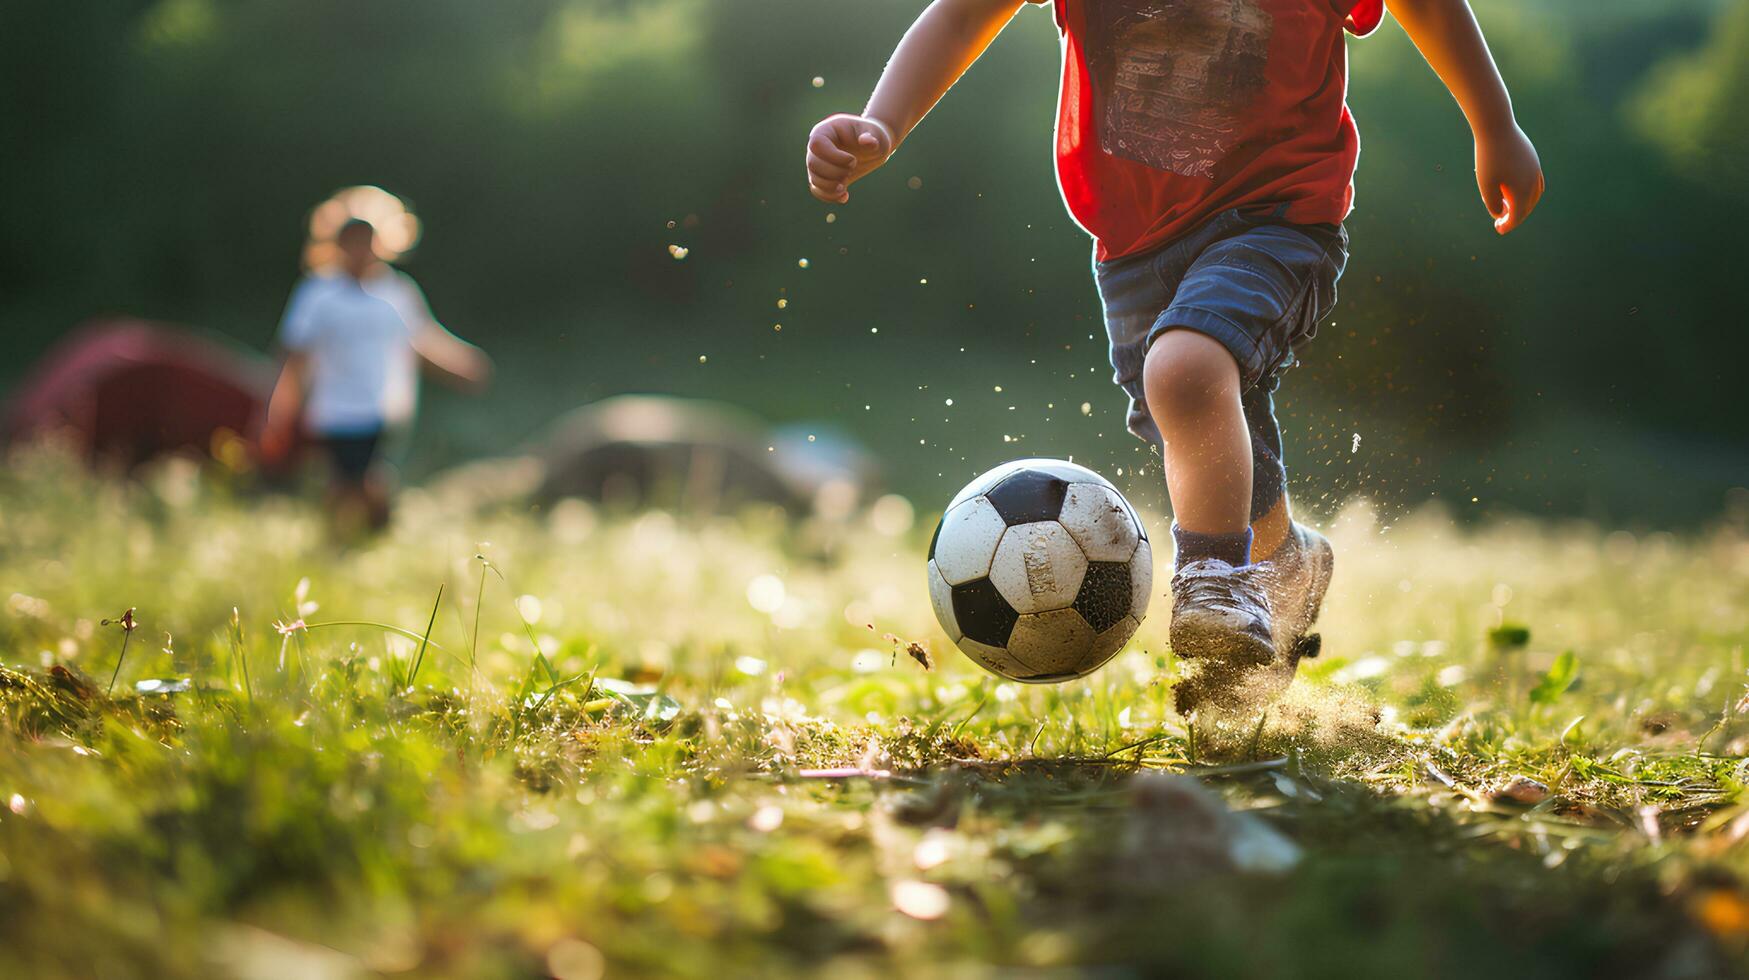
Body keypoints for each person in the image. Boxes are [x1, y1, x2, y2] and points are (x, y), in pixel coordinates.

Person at [805, 0, 1543, 710]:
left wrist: (1494, 122)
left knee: (1184, 373)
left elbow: (1432, 7)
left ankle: (1215, 579)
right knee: (1197, 422)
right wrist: (881, 121)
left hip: (1276, 217)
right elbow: (964, 12)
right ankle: (1280, 565)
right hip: (1133, 247)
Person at [261, 217, 491, 533]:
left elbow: (423, 341)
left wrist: (464, 365)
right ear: (336, 244)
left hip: (383, 411)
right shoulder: (317, 294)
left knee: (365, 481)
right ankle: (349, 544)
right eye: (352, 240)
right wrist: (278, 411)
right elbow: (294, 358)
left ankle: (357, 544)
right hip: (335, 413)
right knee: (349, 485)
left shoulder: (397, 292)